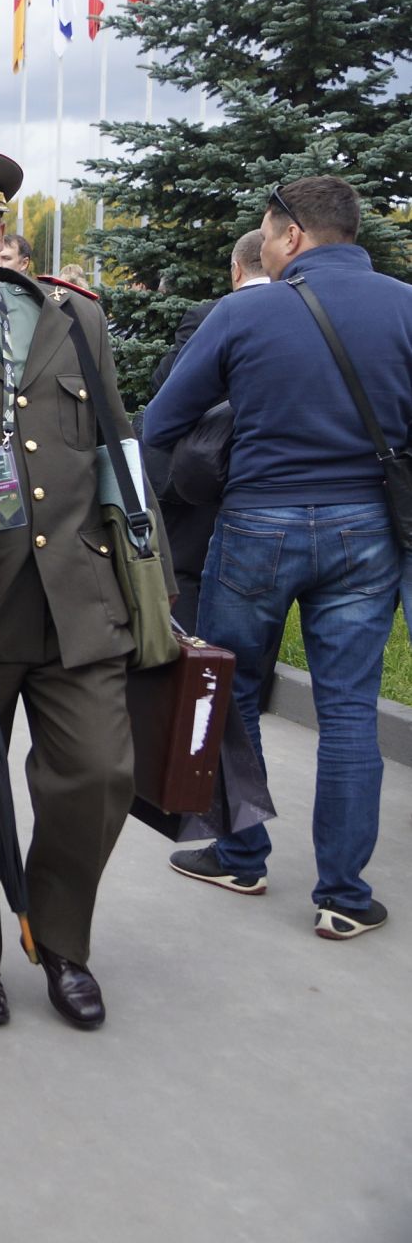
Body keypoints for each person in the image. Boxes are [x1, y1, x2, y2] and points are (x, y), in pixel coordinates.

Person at [0, 147, 171, 1032]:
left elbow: (115, 446)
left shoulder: (71, 316)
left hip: (78, 595)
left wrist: (150, 586)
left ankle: (61, 941)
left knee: (97, 775)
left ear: (3, 232)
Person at [146, 175, 412, 942]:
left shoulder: (246, 311)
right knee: (352, 709)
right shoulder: (404, 307)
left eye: (266, 232)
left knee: (234, 689)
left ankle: (241, 852)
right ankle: (345, 896)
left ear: (291, 235)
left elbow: (164, 420)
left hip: (258, 525)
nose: (262, 245)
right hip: (366, 533)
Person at [145, 228, 268, 629]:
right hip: (271, 477)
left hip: (204, 468)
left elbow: (167, 386)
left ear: (236, 269)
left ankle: (191, 676)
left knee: (186, 569)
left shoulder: (212, 313)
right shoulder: (309, 311)